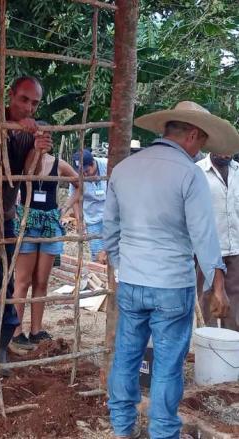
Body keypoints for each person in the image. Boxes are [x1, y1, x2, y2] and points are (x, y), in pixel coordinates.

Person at [104, 101, 235, 439]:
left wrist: (123, 264)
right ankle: (162, 432)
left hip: (132, 281)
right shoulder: (189, 174)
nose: (201, 149)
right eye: (201, 141)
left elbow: (109, 230)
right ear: (191, 134)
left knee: (126, 356)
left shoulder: (124, 169)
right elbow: (204, 236)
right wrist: (217, 285)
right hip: (171, 285)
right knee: (166, 364)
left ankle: (122, 428)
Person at [0, 76, 53, 369]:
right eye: (24, 100)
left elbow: (29, 173)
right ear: (10, 95)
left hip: (2, 218)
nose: (29, 108)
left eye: (34, 103)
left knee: (2, 288)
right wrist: (16, 126)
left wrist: (39, 148)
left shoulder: (32, 132)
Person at [11, 151, 80, 351]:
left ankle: (36, 330)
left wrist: (66, 207)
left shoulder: (59, 164)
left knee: (41, 281)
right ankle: (15, 332)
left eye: (47, 137)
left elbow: (79, 184)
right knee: (22, 281)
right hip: (26, 223)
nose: (44, 140)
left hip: (50, 223)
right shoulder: (22, 160)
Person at [196, 152, 239, 330]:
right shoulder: (197, 172)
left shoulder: (238, 172)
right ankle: (210, 345)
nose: (225, 153)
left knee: (235, 300)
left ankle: (231, 346)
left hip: (235, 248)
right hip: (206, 250)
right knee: (207, 300)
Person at [65, 149, 109, 264]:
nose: (84, 174)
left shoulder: (107, 165)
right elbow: (75, 200)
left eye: (87, 171)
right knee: (98, 254)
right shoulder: (76, 176)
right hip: (91, 217)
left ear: (93, 163)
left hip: (110, 215)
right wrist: (79, 220)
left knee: (113, 250)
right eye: (81, 172)